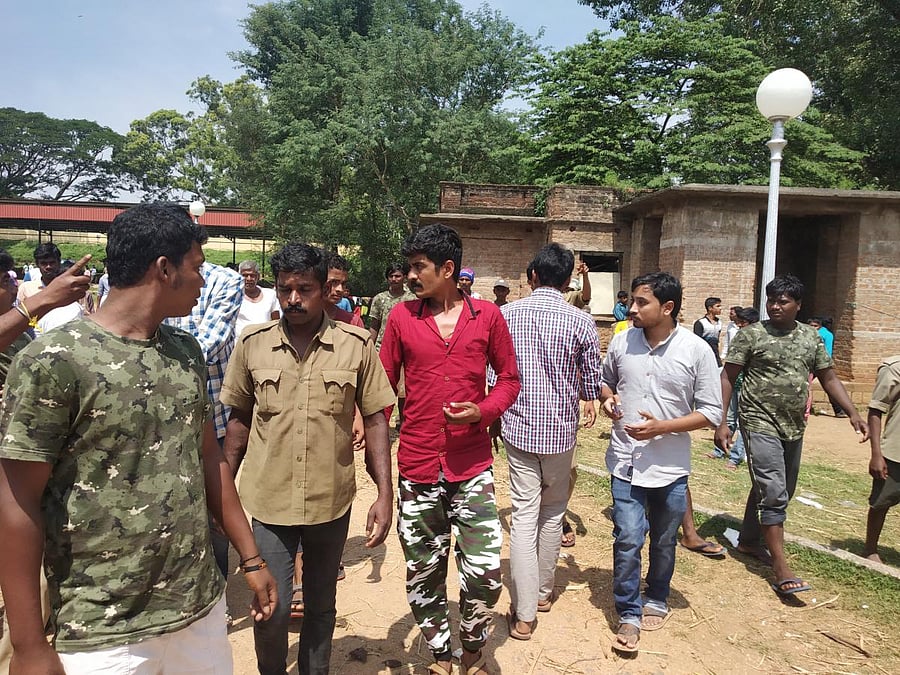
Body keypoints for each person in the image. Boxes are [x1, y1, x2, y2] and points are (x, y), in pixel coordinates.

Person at [0, 202, 276, 674]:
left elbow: (211, 461)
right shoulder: (55, 362)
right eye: (197, 268)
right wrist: (28, 645)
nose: (204, 282)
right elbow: (16, 502)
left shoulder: (185, 352)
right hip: (103, 629)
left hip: (198, 612)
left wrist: (251, 559)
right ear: (164, 269)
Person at [221, 242, 394, 675]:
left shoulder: (356, 345)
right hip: (269, 500)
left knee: (320, 607)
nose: (293, 299)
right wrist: (221, 489)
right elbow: (239, 421)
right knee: (272, 607)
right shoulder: (252, 345)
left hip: (329, 501)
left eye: (304, 289)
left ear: (324, 290)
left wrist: (384, 493)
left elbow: (375, 420)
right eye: (284, 289)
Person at [380, 223, 520, 675]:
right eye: (409, 266)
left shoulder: (488, 318)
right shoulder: (402, 318)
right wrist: (374, 432)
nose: (410, 275)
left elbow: (511, 380)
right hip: (418, 463)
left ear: (447, 268)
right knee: (424, 568)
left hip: (471, 463)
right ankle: (440, 652)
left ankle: (474, 648)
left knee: (483, 569)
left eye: (419, 267)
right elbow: (381, 386)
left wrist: (483, 412)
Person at [716, 274, 867, 597]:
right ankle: (781, 567)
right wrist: (722, 421)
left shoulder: (810, 339)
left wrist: (853, 412)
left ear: (798, 305)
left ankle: (747, 540)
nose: (775, 306)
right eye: (771, 300)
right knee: (774, 490)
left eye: (783, 301)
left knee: (776, 485)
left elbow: (828, 377)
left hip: (794, 425)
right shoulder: (752, 335)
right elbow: (728, 377)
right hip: (758, 421)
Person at [600, 272, 721, 654]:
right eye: (633, 301)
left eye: (642, 302)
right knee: (629, 538)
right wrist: (606, 399)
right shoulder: (622, 342)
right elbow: (606, 381)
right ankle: (629, 612)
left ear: (667, 308)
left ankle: (657, 595)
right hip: (624, 461)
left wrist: (661, 428)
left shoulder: (696, 350)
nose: (632, 309)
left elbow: (711, 412)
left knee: (665, 540)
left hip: (670, 466)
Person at [493, 243, 602, 641]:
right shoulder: (582, 321)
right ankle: (540, 594)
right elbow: (591, 377)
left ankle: (524, 614)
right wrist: (589, 398)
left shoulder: (506, 315)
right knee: (553, 513)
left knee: (524, 516)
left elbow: (494, 370)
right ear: (569, 277)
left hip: (518, 427)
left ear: (533, 276)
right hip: (560, 431)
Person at [164, 248, 243, 621]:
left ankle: (217, 600)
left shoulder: (224, 281)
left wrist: (150, 334)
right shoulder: (134, 276)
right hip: (164, 422)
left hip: (215, 417)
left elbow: (205, 347)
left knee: (216, 507)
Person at [706, 307, 759, 469]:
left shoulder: (759, 339)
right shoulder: (739, 335)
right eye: (738, 323)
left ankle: (735, 458)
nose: (740, 326)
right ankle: (720, 450)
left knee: (743, 422)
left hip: (748, 385)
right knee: (729, 418)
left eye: (743, 323)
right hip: (734, 383)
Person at [864, 355, 900, 563]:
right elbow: (876, 409)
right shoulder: (894, 368)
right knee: (881, 501)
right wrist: (876, 454)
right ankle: (871, 549)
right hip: (896, 450)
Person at [808, 316, 846, 417]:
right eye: (811, 325)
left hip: (821, 364)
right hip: (810, 363)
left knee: (829, 386)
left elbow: (828, 350)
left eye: (815, 326)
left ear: (820, 326)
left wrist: (825, 364)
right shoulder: (807, 334)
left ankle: (839, 410)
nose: (813, 327)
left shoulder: (826, 335)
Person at [236, 259, 280, 337]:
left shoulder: (270, 295)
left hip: (264, 342)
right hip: (240, 343)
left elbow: (276, 321)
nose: (249, 279)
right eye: (245, 275)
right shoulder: (234, 296)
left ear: (258, 277)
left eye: (252, 275)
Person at [324, 253, 364, 327]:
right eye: (334, 282)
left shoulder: (353, 322)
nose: (340, 289)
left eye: (343, 284)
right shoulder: (300, 319)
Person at [693, 296, 723, 367]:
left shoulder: (719, 323)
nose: (720, 308)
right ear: (710, 308)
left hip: (715, 355)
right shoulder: (700, 323)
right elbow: (697, 342)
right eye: (718, 306)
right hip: (703, 355)